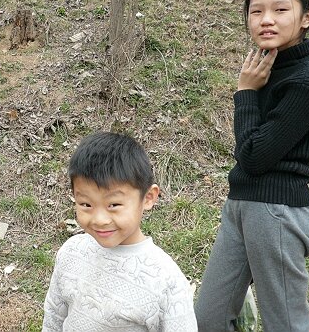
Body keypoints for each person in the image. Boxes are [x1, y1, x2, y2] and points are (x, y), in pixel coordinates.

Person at [195, 0, 309, 332]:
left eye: (280, 10)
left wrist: (245, 93)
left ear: (307, 17)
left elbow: (255, 155)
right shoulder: (265, 66)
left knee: (285, 323)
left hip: (276, 211)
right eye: (256, 11)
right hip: (241, 204)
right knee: (208, 318)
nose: (266, 20)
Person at [43, 132, 197, 331]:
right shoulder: (71, 253)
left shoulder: (166, 281)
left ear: (148, 197)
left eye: (114, 204)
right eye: (86, 204)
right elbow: (54, 317)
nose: (99, 219)